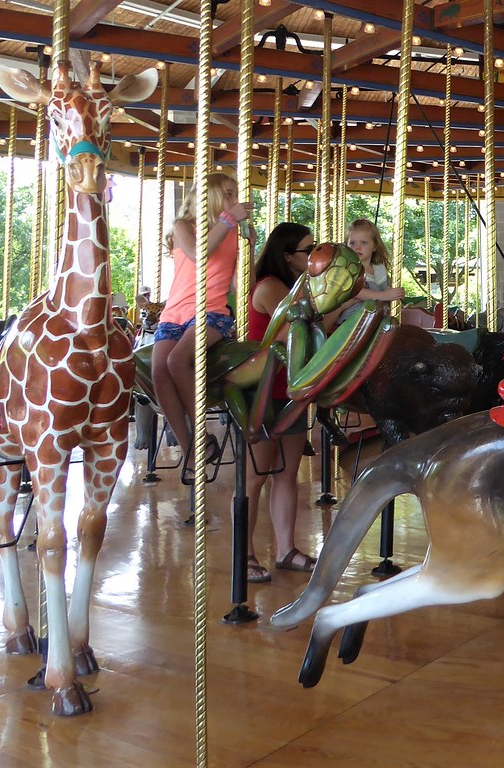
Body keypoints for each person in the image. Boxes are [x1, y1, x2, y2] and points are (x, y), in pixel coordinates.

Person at [152, 172, 254, 478]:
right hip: (174, 313)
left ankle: (200, 431)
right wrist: (228, 220)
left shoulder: (233, 235)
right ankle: (192, 448)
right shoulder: (183, 227)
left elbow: (241, 285)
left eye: (235, 194)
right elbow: (199, 254)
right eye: (228, 194)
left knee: (177, 360)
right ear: (210, 197)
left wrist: (249, 249)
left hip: (211, 311)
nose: (235, 199)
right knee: (159, 371)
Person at [243, 223, 318, 581]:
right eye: (308, 249)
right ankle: (245, 554)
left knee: (287, 474)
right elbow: (292, 331)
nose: (313, 254)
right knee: (255, 477)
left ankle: (286, 549)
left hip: (289, 390)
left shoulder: (294, 287)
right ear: (287, 255)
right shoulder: (271, 287)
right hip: (264, 391)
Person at [330, 218, 404, 326]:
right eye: (352, 243)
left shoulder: (379, 269)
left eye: (364, 243)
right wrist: (384, 295)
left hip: (377, 317)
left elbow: (387, 287)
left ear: (374, 246)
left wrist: (395, 293)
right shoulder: (349, 269)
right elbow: (357, 292)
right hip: (354, 320)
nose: (357, 247)